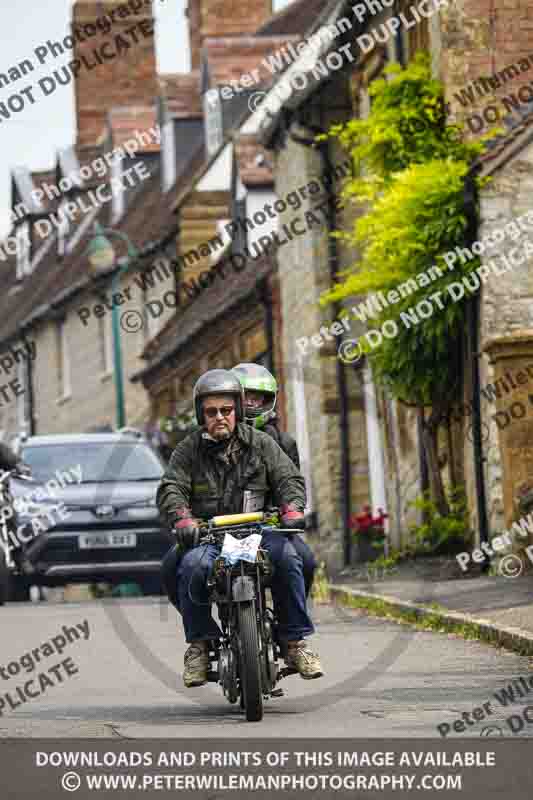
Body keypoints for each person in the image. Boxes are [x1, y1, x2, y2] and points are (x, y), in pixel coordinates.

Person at [156, 369, 323, 688]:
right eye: (211, 412)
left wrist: (292, 509)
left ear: (237, 411)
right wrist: (182, 518)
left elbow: (288, 479)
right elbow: (171, 487)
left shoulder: (263, 444)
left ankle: (293, 643)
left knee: (291, 560)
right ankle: (200, 646)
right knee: (189, 566)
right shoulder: (188, 450)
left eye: (226, 410)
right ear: (201, 414)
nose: (220, 417)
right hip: (210, 536)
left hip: (260, 532)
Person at [230, 363, 316, 596]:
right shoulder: (214, 440)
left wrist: (291, 510)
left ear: (268, 402)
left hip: (269, 527)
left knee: (306, 561)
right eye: (245, 397)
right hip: (223, 527)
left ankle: (287, 623)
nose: (251, 404)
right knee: (175, 566)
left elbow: (291, 483)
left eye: (258, 399)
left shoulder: (284, 443)